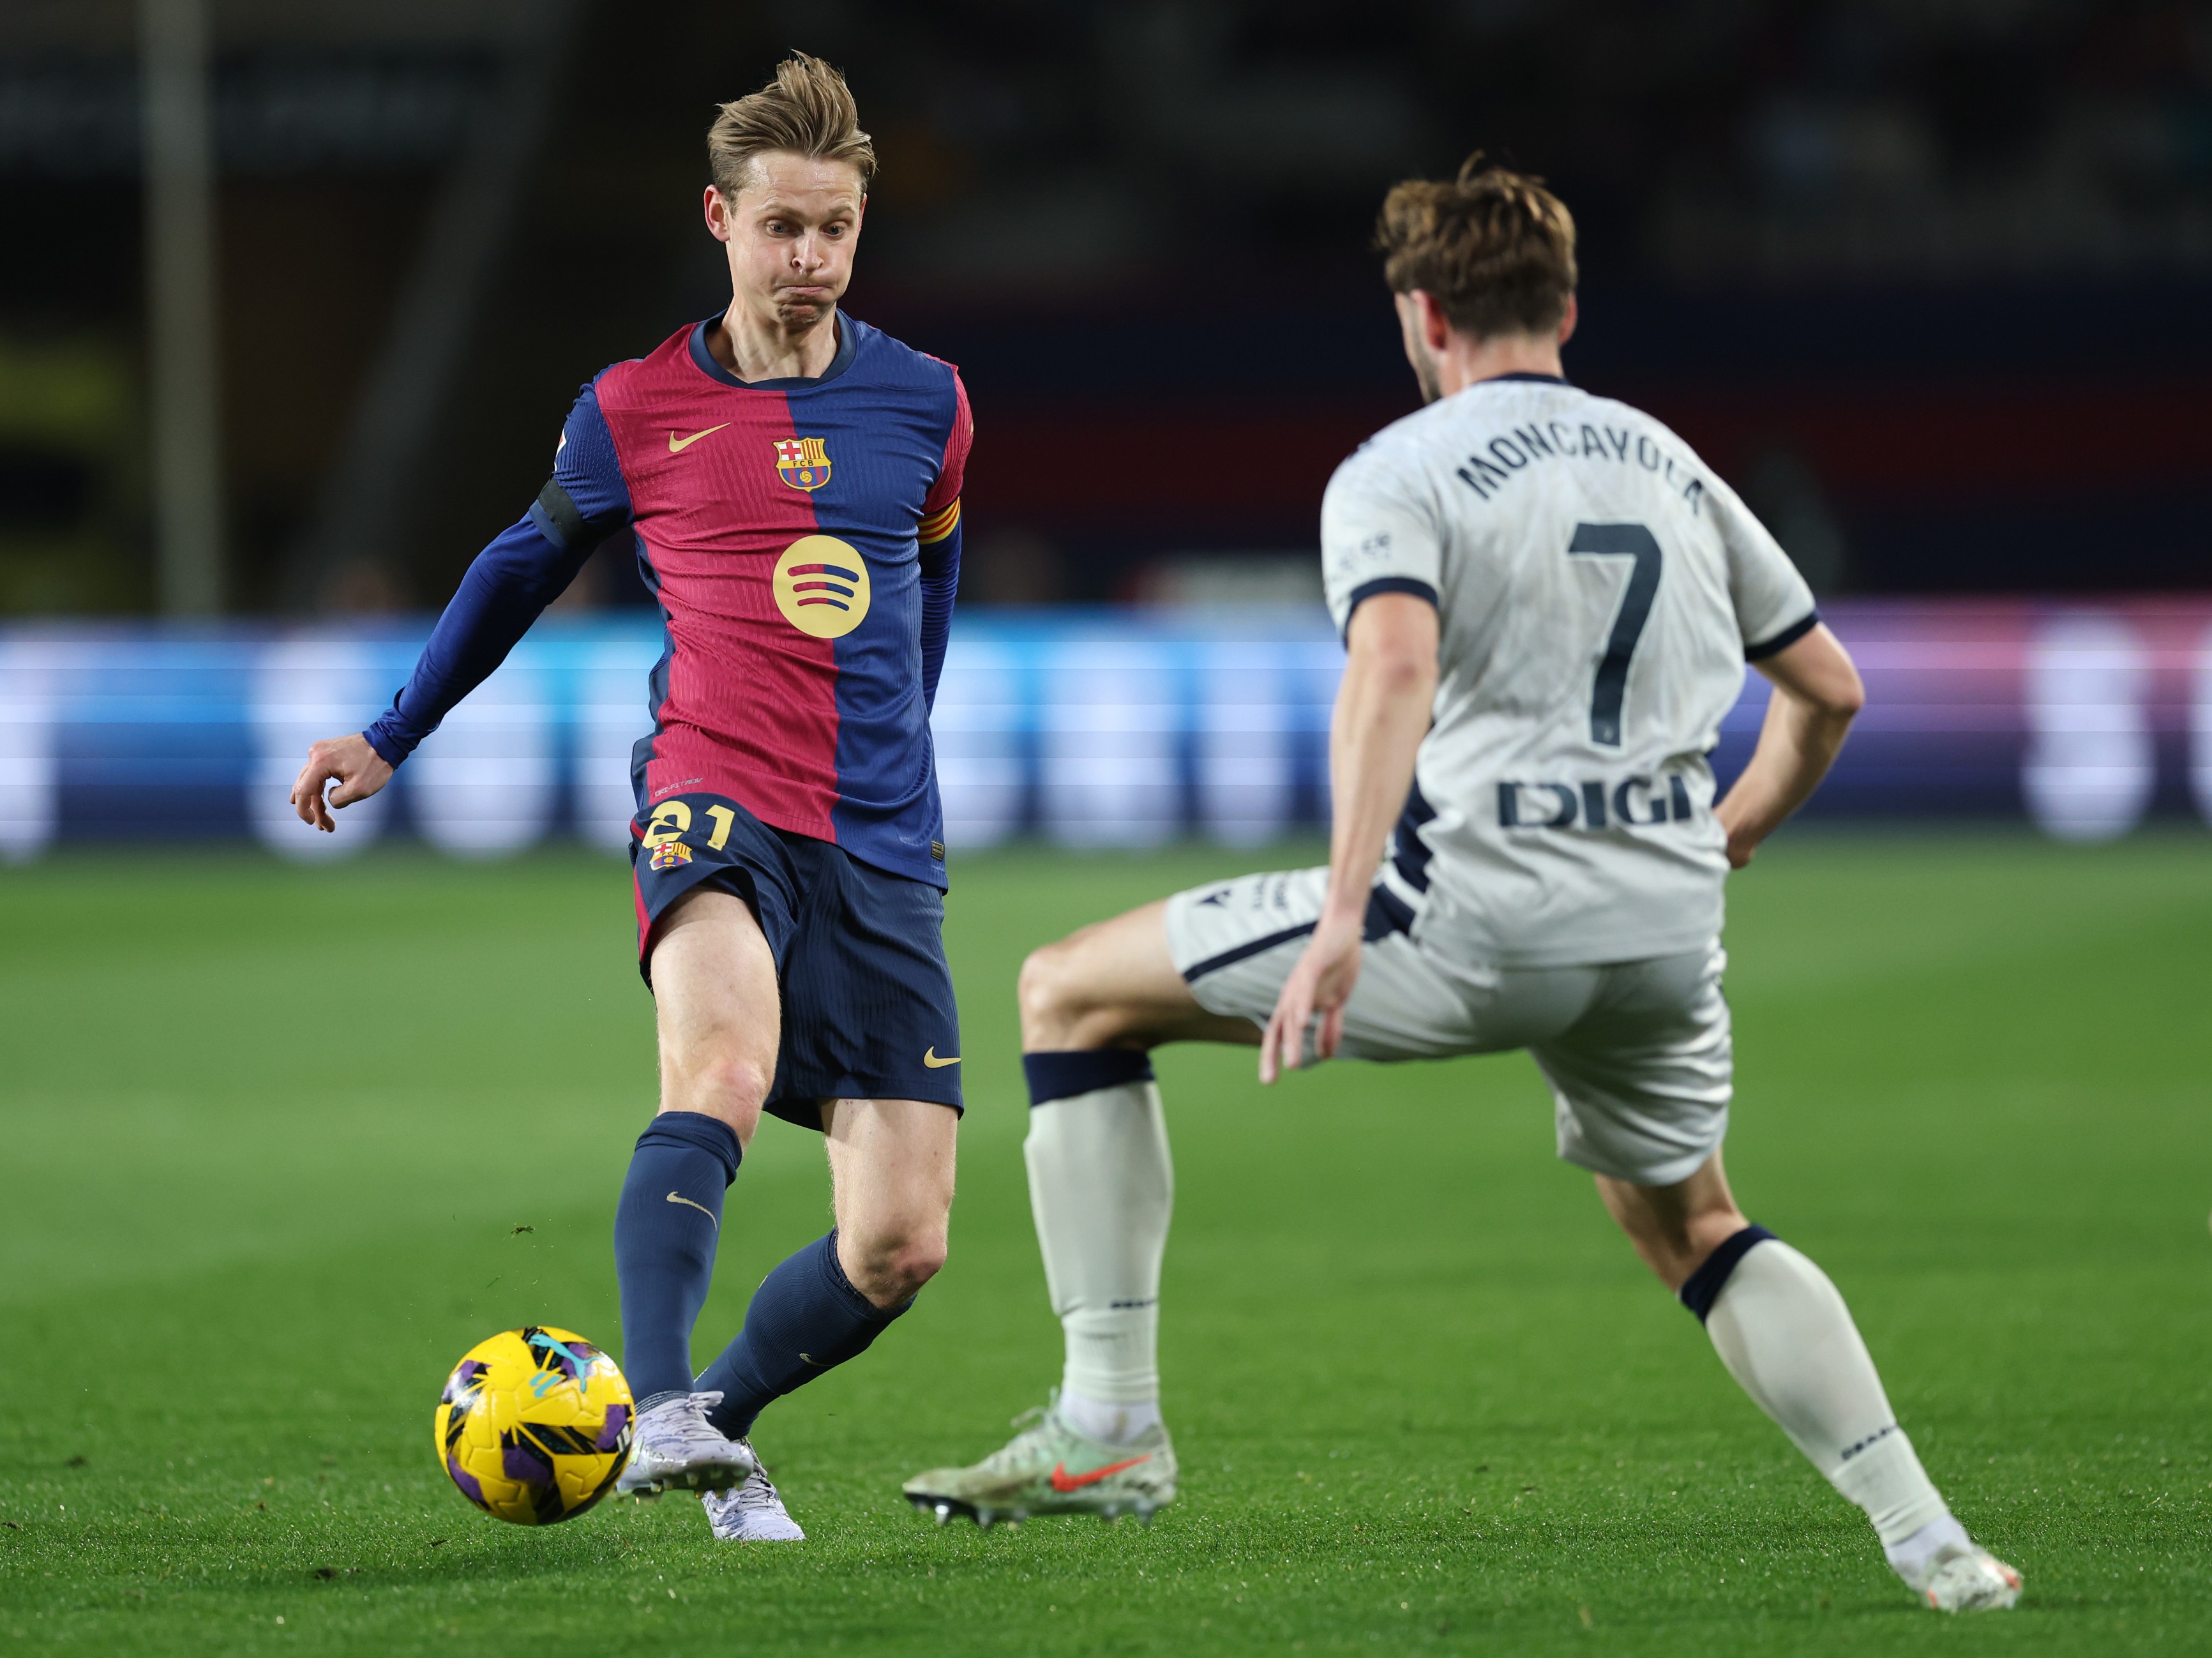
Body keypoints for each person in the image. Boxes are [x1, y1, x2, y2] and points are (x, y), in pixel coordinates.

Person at [904, 159, 2020, 1615]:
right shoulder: (1670, 462)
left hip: (1473, 915)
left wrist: (1345, 913)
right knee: (1694, 1224)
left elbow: (1393, 665)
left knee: (1066, 993)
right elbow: (1830, 690)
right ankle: (1933, 1544)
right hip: (1661, 929)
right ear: (1566, 308)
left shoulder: (1401, 468)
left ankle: (1109, 1423)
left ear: (1424, 316)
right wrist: (1734, 829)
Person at [292, 54, 973, 1544]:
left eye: (836, 230)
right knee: (718, 1069)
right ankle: (655, 1404)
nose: (809, 259)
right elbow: (515, 569)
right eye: (782, 227)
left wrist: (903, 758)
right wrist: (392, 733)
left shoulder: (927, 401)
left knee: (899, 1242)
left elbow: (928, 589)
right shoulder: (632, 407)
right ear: (720, 220)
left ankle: (716, 1423)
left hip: (878, 837)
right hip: (712, 792)